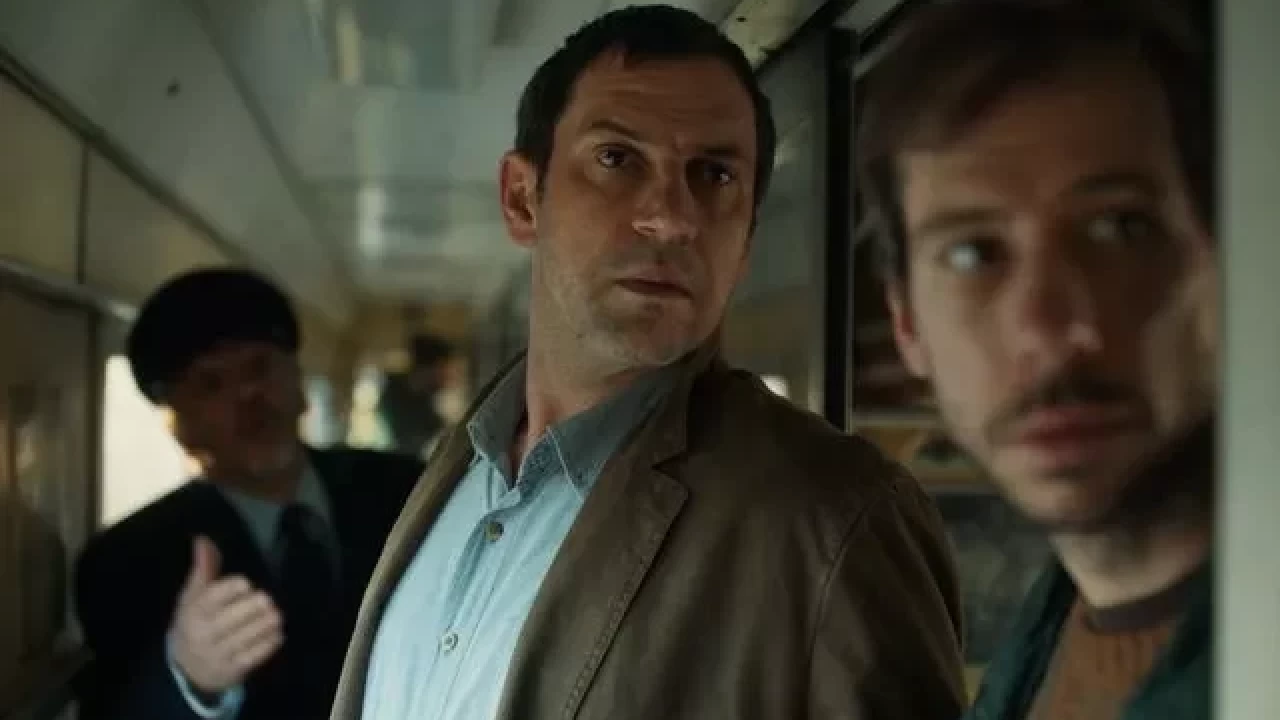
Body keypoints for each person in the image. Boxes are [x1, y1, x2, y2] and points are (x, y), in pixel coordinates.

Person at [329, 6, 966, 720]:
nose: (671, 217)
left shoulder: (835, 519)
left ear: (746, 240)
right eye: (617, 159)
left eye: (715, 174)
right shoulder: (462, 462)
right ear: (522, 199)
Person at [856, 0, 1217, 717]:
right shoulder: (1053, 624)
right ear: (908, 324)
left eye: (1118, 228)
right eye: (972, 253)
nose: (1046, 330)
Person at [74, 268, 423, 720]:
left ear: (298, 382)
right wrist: (188, 678)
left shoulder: (407, 492)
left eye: (260, 367)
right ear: (179, 424)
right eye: (211, 383)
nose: (248, 395)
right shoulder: (125, 563)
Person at [378, 333, 454, 457]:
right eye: (444, 369)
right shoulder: (392, 400)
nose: (448, 377)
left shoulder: (424, 400)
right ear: (428, 369)